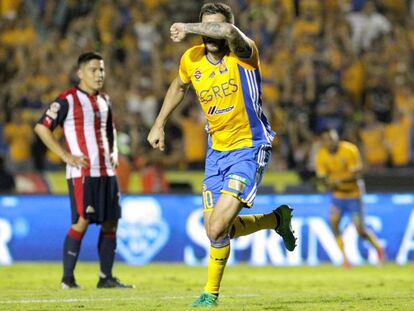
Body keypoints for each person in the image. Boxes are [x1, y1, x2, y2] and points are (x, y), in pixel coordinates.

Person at [147, 3, 296, 307]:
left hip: (249, 148)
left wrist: (188, 27)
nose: (209, 33)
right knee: (216, 228)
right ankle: (275, 220)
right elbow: (178, 86)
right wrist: (159, 123)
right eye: (205, 27)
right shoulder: (191, 59)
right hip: (216, 152)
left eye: (212, 27)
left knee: (216, 227)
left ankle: (209, 295)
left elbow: (227, 31)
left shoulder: (244, 52)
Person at [34, 52, 133, 289]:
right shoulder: (67, 100)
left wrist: (115, 152)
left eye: (102, 70)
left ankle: (105, 278)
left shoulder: (105, 100)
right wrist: (65, 155)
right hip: (83, 174)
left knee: (111, 222)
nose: (99, 74)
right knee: (82, 221)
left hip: (107, 172)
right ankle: (67, 279)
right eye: (93, 70)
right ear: (80, 73)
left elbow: (111, 130)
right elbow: (42, 127)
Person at [315, 128, 385, 268]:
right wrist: (327, 185)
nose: (331, 142)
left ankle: (378, 249)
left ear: (337, 138)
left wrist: (338, 182)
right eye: (327, 139)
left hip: (354, 194)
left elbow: (357, 175)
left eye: (333, 138)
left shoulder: (349, 150)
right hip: (338, 196)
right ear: (323, 142)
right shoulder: (321, 156)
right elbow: (323, 179)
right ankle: (345, 259)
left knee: (361, 230)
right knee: (334, 223)